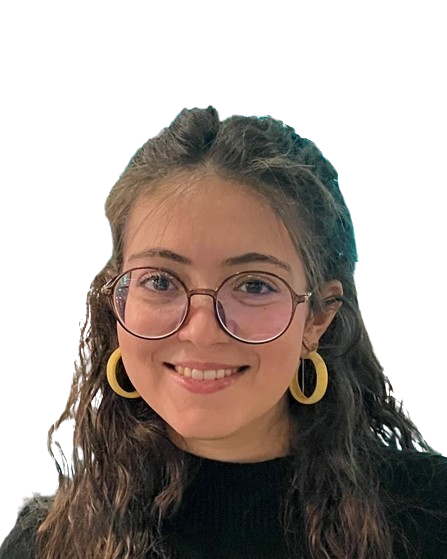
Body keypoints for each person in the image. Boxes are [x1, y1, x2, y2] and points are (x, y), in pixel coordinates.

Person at [1, 106, 446, 559]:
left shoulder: (433, 520)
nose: (201, 331)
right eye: (160, 281)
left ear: (318, 317)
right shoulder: (47, 543)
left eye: (253, 285)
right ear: (118, 299)